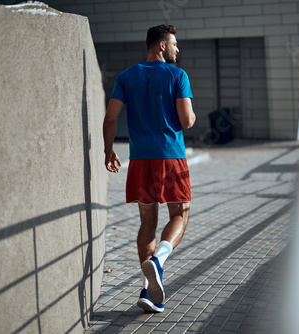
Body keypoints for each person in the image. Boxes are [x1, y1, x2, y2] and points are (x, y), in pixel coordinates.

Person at [102, 24, 196, 313]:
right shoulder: (177, 75)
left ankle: (148, 291)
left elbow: (110, 117)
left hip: (140, 159)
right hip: (171, 156)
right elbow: (187, 121)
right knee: (180, 213)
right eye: (174, 44)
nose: (177, 49)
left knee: (147, 223)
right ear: (161, 45)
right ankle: (158, 261)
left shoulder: (126, 76)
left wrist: (108, 150)